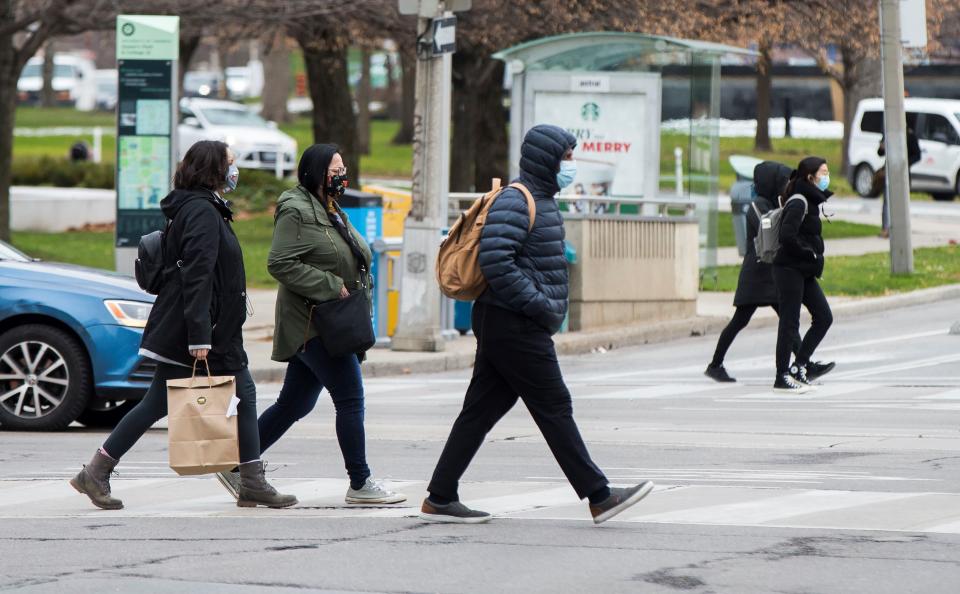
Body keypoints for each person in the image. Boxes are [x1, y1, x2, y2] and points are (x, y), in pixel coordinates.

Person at [420, 125, 653, 525]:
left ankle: (440, 495)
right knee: (554, 405)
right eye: (565, 156)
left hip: (506, 320)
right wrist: (540, 305)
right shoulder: (517, 200)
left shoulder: (541, 199)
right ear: (546, 159)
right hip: (514, 322)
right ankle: (599, 495)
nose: (571, 164)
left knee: (481, 409)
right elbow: (496, 261)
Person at [71, 140, 296, 510]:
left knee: (162, 402)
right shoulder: (202, 212)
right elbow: (197, 275)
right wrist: (199, 336)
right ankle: (251, 481)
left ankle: (96, 471)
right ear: (214, 169)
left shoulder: (197, 206)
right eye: (230, 163)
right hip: (199, 331)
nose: (234, 170)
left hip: (199, 327)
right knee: (238, 395)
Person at [214, 144, 405, 506]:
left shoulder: (330, 209)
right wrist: (332, 285)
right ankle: (360, 483)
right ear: (316, 172)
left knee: (293, 404)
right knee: (350, 400)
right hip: (313, 324)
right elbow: (280, 263)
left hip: (333, 321)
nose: (342, 173)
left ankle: (237, 464)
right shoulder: (296, 209)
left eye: (343, 166)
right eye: (336, 168)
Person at [705, 161, 791, 382]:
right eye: (781, 183)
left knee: (787, 318)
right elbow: (770, 229)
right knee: (740, 320)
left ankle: (805, 362)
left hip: (769, 273)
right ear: (770, 183)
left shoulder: (771, 203)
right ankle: (715, 365)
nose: (784, 187)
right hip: (756, 275)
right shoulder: (757, 206)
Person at [771, 156, 836, 394]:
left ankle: (800, 366)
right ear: (810, 177)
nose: (826, 177)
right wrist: (810, 254)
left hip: (803, 270)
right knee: (789, 323)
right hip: (789, 269)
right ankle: (781, 375)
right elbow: (787, 237)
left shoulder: (810, 199)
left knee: (824, 316)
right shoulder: (799, 202)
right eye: (823, 173)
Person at [877, 127, 922, 237]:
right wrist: (882, 147)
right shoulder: (888, 133)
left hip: (904, 173)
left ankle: (900, 229)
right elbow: (880, 152)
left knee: (902, 202)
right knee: (887, 201)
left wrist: (905, 163)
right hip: (889, 171)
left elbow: (917, 155)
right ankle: (885, 228)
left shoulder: (910, 136)